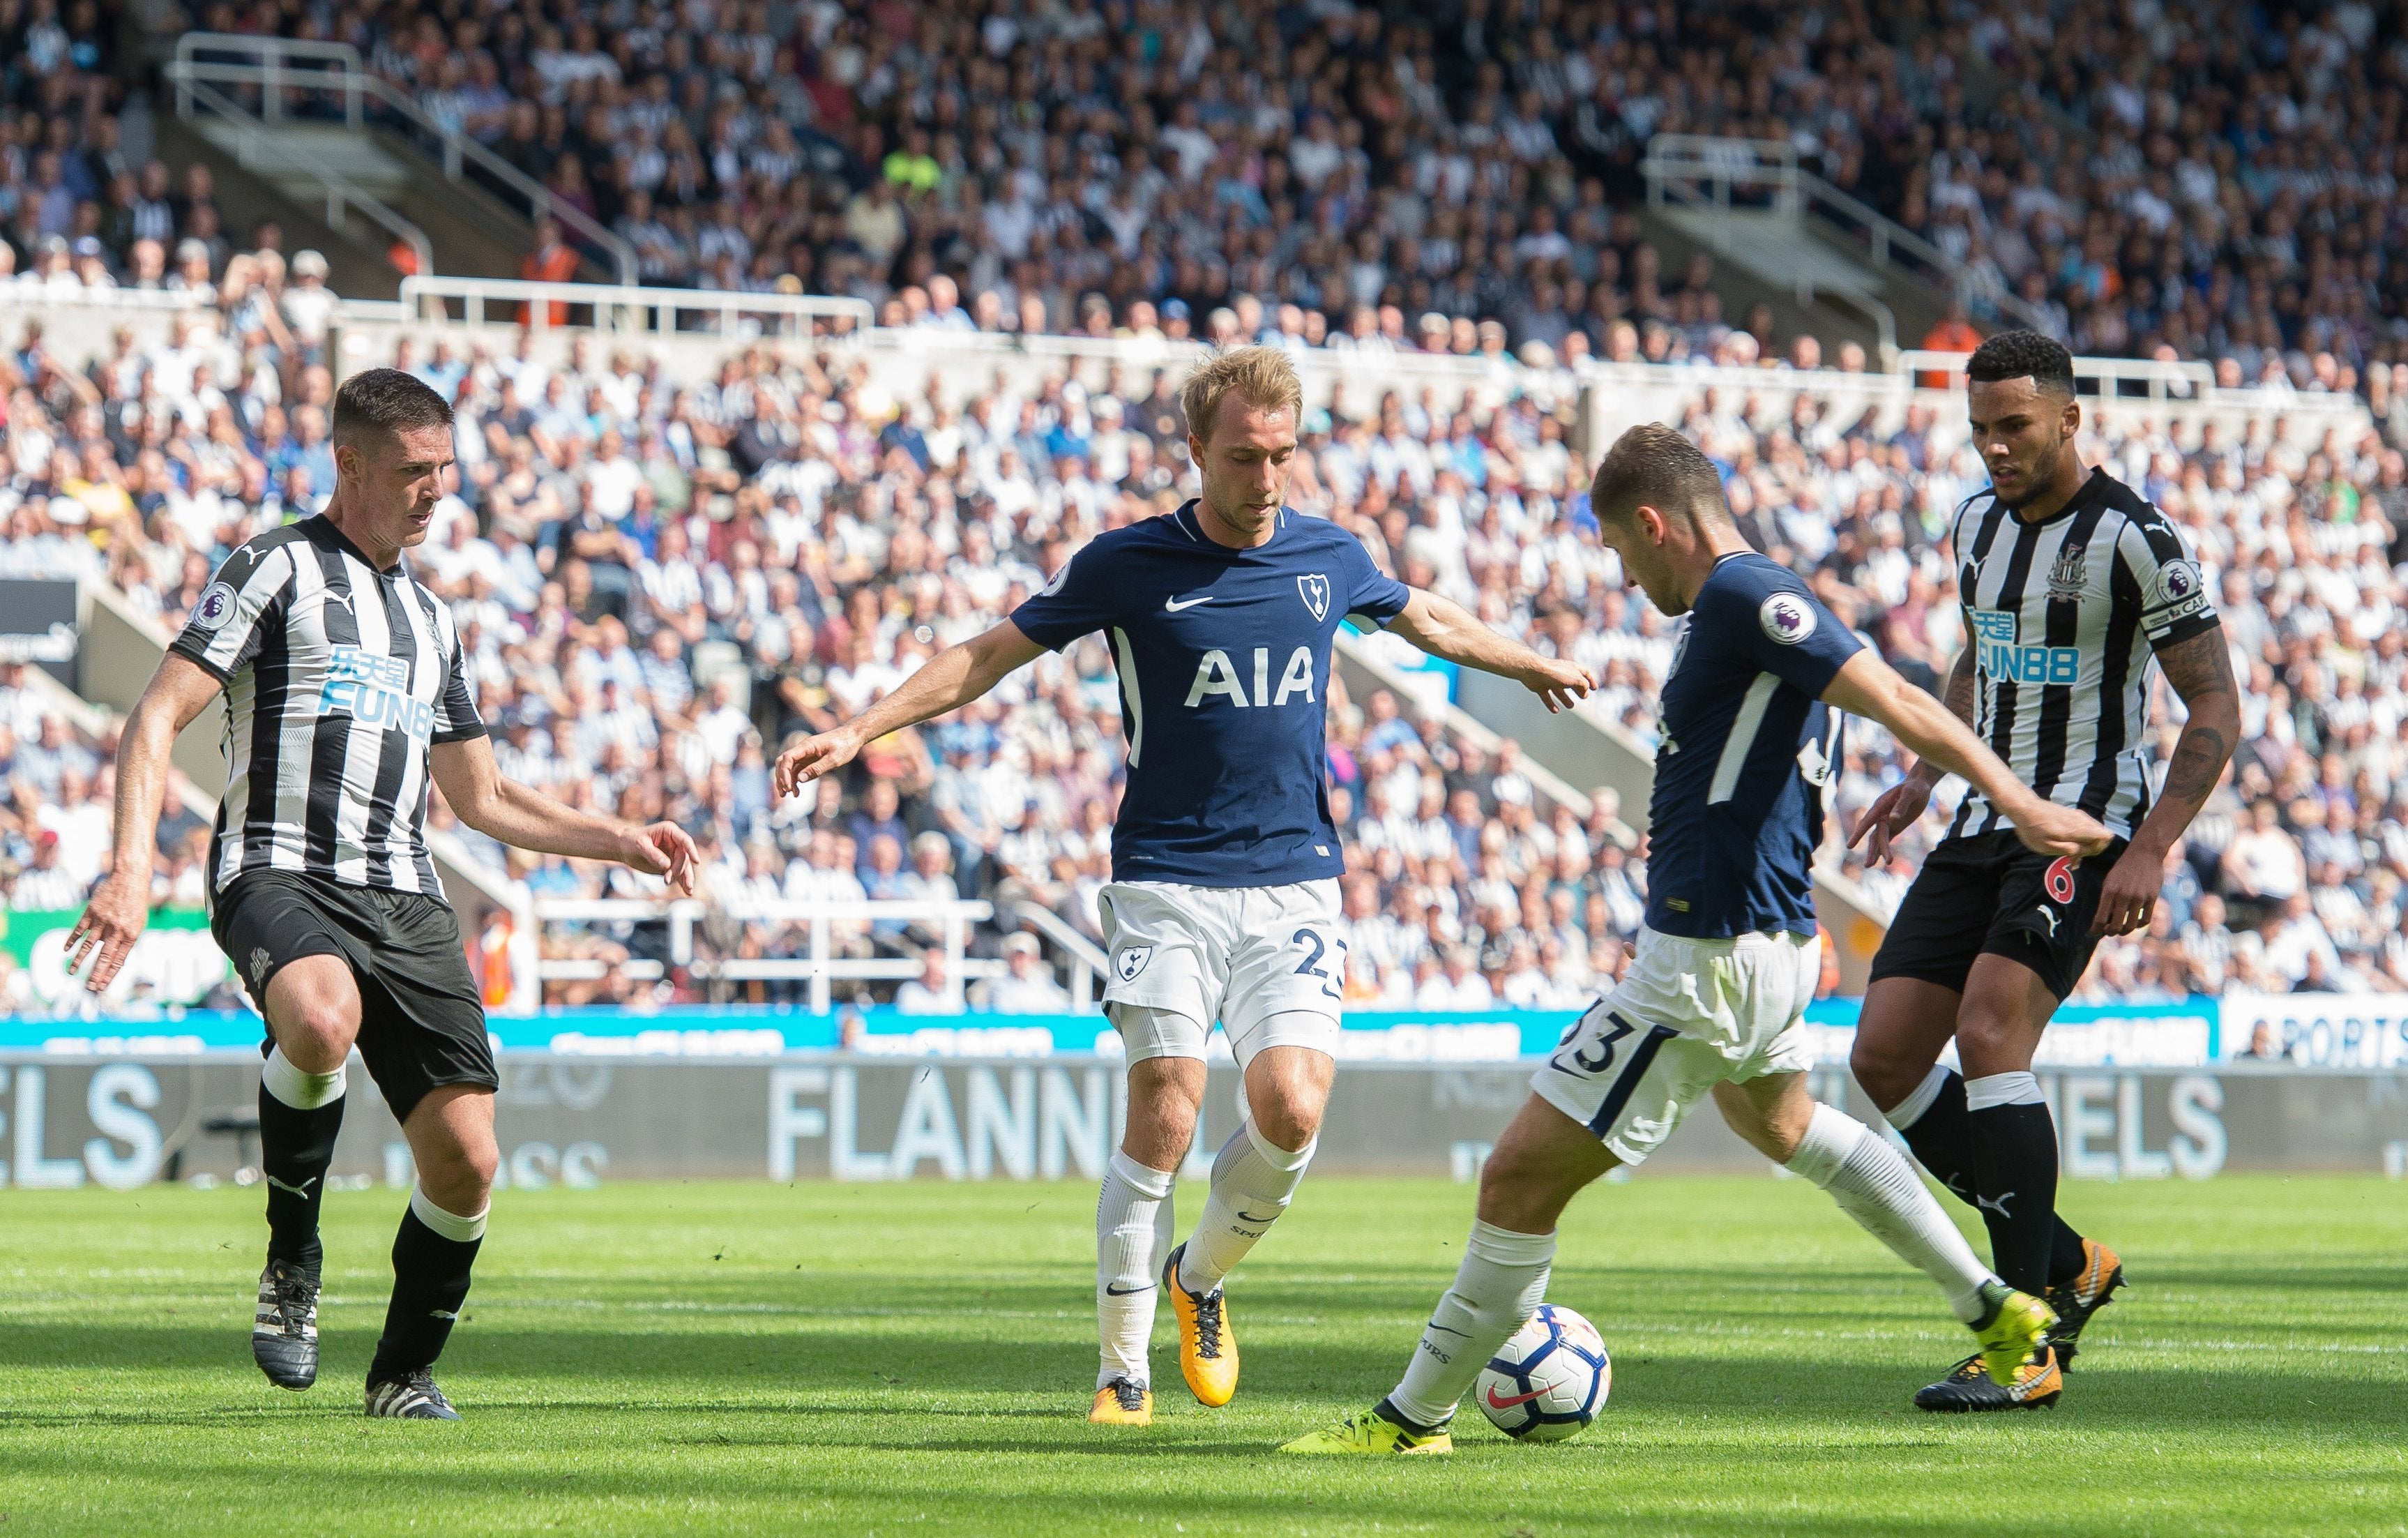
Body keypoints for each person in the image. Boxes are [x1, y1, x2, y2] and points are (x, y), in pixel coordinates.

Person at [773, 346, 1593, 1428]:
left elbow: (1424, 617)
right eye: (1245, 457)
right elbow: (986, 655)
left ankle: (1197, 1278)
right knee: (1166, 1108)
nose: (1266, 479)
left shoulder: (1327, 557)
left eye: (1282, 457)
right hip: (1164, 875)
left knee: (1291, 1111)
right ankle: (1122, 1372)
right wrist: (857, 726)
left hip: (1297, 881)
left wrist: (1523, 660)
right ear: (1196, 450)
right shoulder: (1125, 563)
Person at [1281, 422, 2109, 1456]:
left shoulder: (1739, 595)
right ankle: (1987, 1300)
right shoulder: (1748, 610)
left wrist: (2016, 802)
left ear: (1653, 523)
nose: (1624, 575)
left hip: (1705, 959)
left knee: (1515, 1180)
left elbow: (1894, 695)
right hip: (1761, 947)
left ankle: (1411, 1420)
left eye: (1620, 551)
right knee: (1786, 1125)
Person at [66, 369, 697, 1421]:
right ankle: (292, 1251)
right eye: (414, 470)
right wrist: (130, 871)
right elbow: (153, 718)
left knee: (468, 1163)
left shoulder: (433, 622)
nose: (436, 490)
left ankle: (402, 1374)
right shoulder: (272, 568)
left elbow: (480, 794)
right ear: (350, 464)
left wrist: (618, 839)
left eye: (445, 468)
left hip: (403, 894)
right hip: (276, 865)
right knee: (319, 1017)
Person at [1846, 331, 2238, 1411]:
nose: (1993, 448)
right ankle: (2067, 1262)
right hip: (1977, 817)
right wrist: (1925, 778)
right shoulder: (1974, 524)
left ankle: (2023, 1343)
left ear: (2068, 418)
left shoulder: (2135, 537)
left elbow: (2215, 703)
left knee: (1987, 1034)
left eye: (2012, 426)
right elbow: (1980, 655)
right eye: (1978, 429)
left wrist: (2150, 844)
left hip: (2078, 826)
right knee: (1879, 1059)